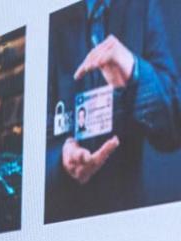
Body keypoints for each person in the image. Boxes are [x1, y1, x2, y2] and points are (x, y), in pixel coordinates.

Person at [47, 0, 181, 221]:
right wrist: (61, 156)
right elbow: (30, 135)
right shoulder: (52, 19)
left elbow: (173, 125)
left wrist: (134, 70)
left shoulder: (142, 7)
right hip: (59, 220)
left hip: (126, 216)